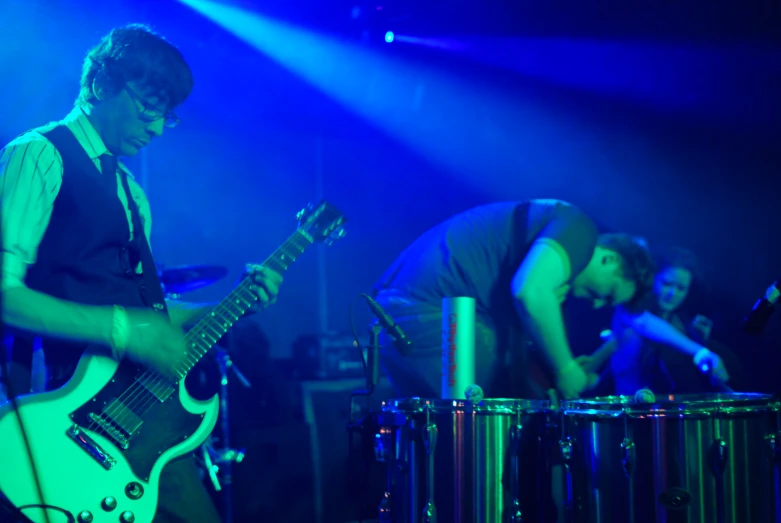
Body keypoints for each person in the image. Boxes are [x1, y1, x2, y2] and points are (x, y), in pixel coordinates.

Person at [0, 24, 283, 523]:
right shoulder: (39, 154)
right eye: (149, 106)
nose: (157, 127)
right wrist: (123, 330)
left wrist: (228, 306)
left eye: (166, 115)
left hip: (141, 419)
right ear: (102, 85)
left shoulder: (132, 192)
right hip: (65, 415)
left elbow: (147, 312)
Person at [372, 199, 660, 400]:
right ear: (609, 259)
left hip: (398, 314)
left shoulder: (537, 240)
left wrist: (550, 366)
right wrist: (566, 369)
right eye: (606, 294)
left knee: (436, 445)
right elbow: (529, 292)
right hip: (434, 313)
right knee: (478, 441)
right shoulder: (580, 228)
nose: (597, 304)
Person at [582, 247, 736, 395]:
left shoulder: (682, 323)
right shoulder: (628, 308)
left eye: (680, 288)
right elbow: (645, 324)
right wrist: (700, 350)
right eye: (666, 283)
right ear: (653, 279)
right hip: (631, 413)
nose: (672, 293)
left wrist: (701, 341)